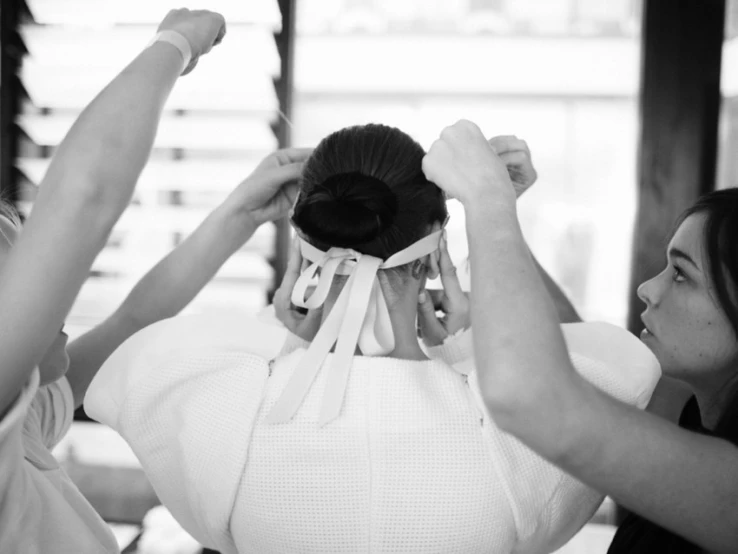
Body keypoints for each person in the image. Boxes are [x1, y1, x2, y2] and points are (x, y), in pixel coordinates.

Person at [85, 123, 660, 554]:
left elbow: (130, 350)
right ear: (437, 245)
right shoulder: (512, 433)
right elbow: (575, 363)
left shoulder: (225, 407)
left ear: (305, 242)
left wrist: (285, 335)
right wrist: (494, 220)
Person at [0, 9, 311, 553]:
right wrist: (176, 44)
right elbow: (83, 197)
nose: (51, 295)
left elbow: (135, 319)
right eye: (24, 273)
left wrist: (243, 213)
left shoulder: (22, 425)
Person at [421, 119, 738, 554]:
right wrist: (504, 210)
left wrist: (488, 202)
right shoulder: (690, 416)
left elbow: (533, 396)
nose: (648, 289)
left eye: (681, 275)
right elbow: (576, 345)